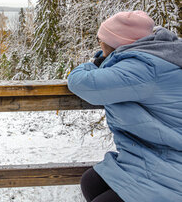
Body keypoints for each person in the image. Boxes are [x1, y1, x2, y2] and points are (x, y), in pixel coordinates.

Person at [68, 11, 182, 202]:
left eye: (100, 39)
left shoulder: (144, 68)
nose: (99, 44)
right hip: (154, 152)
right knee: (92, 181)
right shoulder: (159, 56)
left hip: (170, 163)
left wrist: (95, 63)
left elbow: (80, 82)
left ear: (114, 43)